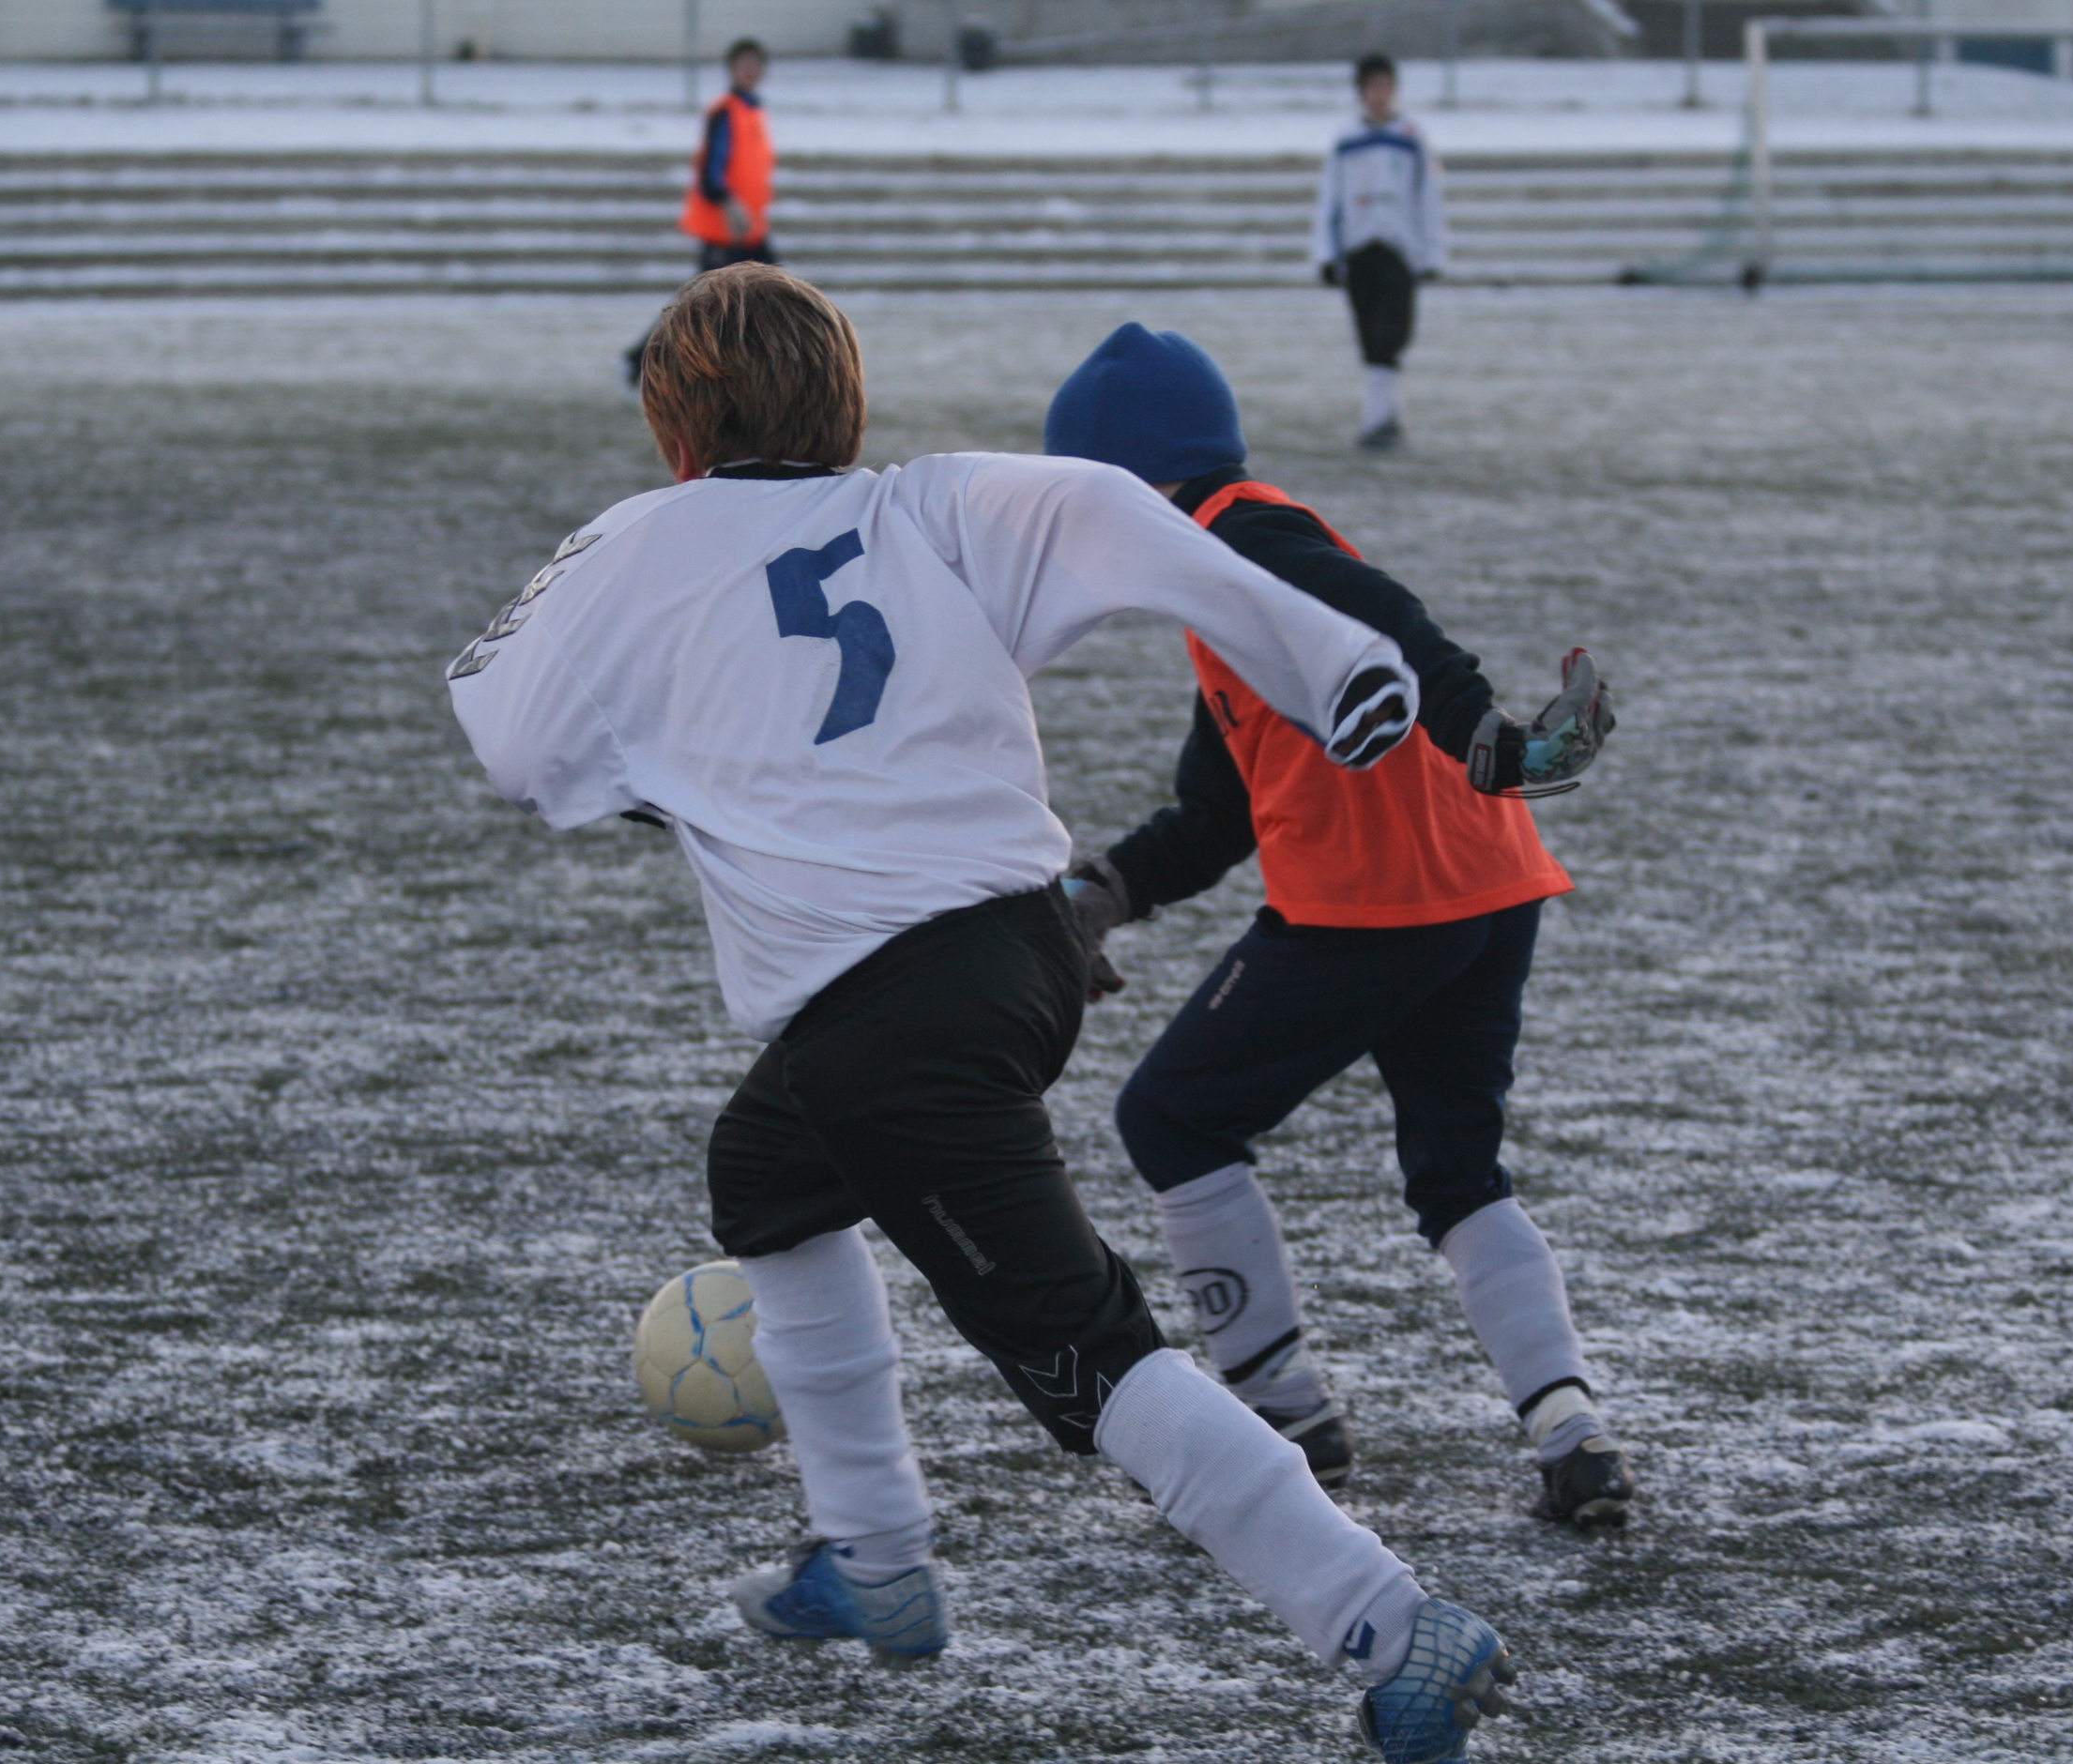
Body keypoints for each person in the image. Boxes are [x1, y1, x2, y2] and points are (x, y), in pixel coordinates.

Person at [450, 265, 1517, 1763]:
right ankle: (875, 1559)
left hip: (891, 1013)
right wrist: (1332, 659)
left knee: (1084, 1353)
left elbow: (511, 742)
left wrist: (673, 768)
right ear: (847, 405)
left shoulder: (636, 541)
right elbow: (1119, 510)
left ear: (675, 432)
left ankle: (1390, 1624)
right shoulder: (936, 501)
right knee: (765, 1177)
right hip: (1018, 953)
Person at [1042, 322, 1637, 1529]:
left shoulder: (1241, 536)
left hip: (1377, 902)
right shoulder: (1223, 578)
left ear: (1128, 484)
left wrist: (1492, 735)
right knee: (1456, 1168)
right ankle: (1570, 1430)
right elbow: (1217, 811)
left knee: (1171, 1116)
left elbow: (1387, 620)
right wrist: (1099, 895)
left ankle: (1282, 1417)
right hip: (1485, 889)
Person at [623, 38, 775, 391]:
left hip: (750, 230)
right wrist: (730, 203)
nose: (751, 70)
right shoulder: (726, 112)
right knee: (697, 306)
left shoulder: (753, 111)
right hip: (725, 230)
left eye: (756, 64)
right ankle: (640, 359)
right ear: (732, 69)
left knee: (775, 294)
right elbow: (711, 175)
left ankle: (756, 369)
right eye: (744, 64)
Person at [1314, 53, 1444, 451]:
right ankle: (1388, 416)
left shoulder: (1411, 136)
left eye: (1385, 86)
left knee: (1392, 334)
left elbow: (1428, 197)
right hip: (1360, 248)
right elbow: (1331, 199)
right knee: (1370, 336)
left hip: (1400, 248)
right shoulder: (1346, 139)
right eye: (1372, 86)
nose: (1379, 94)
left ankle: (1377, 420)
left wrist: (1432, 254)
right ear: (1361, 92)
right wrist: (1326, 253)